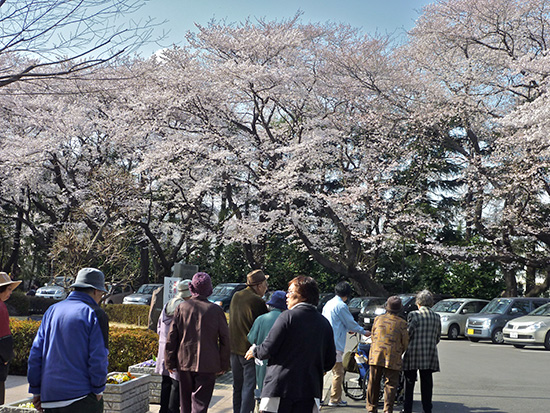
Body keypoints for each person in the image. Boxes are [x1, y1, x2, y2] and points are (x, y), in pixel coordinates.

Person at [245, 275, 336, 413]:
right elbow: (330, 361)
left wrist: (255, 351)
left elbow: (268, 349)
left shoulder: (287, 317)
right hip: (310, 390)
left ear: (303, 295)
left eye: (291, 292)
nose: (287, 296)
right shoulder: (324, 323)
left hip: (280, 388)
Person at [28, 268, 109, 413]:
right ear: (96, 291)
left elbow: (35, 353)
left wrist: (36, 390)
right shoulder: (95, 313)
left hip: (50, 396)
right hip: (82, 396)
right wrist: (98, 389)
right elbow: (98, 357)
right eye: (102, 293)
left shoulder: (52, 310)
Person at [165, 272, 230, 413]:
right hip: (208, 362)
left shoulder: (181, 308)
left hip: (184, 361)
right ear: (209, 290)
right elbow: (225, 339)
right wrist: (223, 363)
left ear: (192, 288)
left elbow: (172, 336)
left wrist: (169, 361)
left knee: (185, 403)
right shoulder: (217, 310)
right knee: (200, 404)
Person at [322, 281, 370, 407]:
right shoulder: (341, 306)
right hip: (335, 343)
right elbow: (350, 323)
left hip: (325, 341)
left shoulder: (329, 303)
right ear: (347, 295)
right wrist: (364, 332)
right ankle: (335, 399)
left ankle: (318, 396)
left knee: (323, 371)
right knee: (338, 372)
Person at [229, 269, 269, 413]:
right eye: (265, 283)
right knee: (249, 386)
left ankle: (237, 410)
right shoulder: (257, 300)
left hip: (233, 349)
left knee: (237, 386)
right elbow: (264, 324)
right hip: (249, 351)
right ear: (258, 285)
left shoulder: (236, 296)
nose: (266, 287)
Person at [366, 296, 409, 413]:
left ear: (387, 307)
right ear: (400, 309)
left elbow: (374, 335)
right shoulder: (402, 323)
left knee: (373, 381)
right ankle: (387, 409)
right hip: (393, 356)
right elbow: (405, 342)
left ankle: (371, 408)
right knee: (390, 384)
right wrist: (399, 351)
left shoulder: (378, 319)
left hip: (376, 354)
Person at [155, 279, 192, 413]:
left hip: (163, 347)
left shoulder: (167, 305)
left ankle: (163, 410)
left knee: (165, 382)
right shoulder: (184, 307)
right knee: (176, 385)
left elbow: (159, 327)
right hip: (176, 349)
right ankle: (172, 410)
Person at [402, 290, 441, 413]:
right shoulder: (436, 316)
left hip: (413, 353)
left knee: (409, 383)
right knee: (427, 383)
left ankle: (407, 409)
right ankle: (427, 408)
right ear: (431, 303)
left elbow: (409, 333)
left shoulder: (414, 315)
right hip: (429, 353)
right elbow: (437, 337)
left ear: (418, 302)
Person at [247, 290, 287, 401]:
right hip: (281, 365)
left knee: (262, 392)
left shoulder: (261, 319)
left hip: (262, 362)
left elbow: (251, 338)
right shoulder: (287, 319)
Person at [0, 272, 22, 404]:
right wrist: (7, 358)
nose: (11, 293)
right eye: (8, 289)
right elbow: (4, 337)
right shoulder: (1, 308)